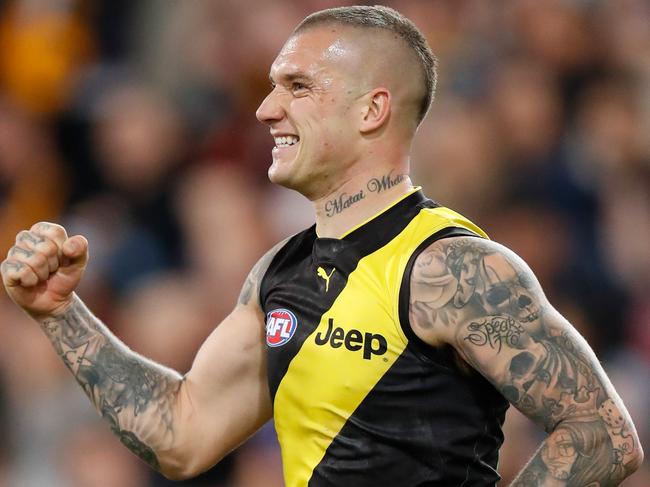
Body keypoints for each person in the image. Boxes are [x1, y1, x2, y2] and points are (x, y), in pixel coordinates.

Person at [0, 5, 644, 486]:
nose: (265, 109)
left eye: (297, 87)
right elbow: (180, 434)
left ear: (372, 110)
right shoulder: (278, 272)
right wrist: (61, 313)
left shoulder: (451, 266)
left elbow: (603, 434)